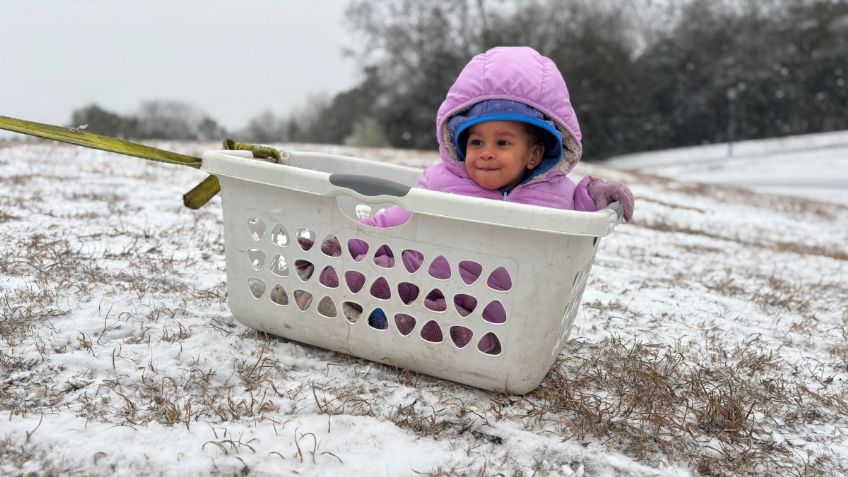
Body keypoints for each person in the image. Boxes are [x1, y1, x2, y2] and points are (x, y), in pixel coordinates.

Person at [310, 46, 635, 350]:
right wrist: (352, 243)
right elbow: (396, 218)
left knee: (475, 332)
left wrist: (600, 194)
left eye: (503, 143)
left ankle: (408, 322)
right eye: (476, 142)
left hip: (492, 303)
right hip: (422, 275)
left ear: (534, 154)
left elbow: (586, 211)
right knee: (377, 269)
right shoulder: (443, 180)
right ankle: (357, 293)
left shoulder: (557, 194)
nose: (486, 153)